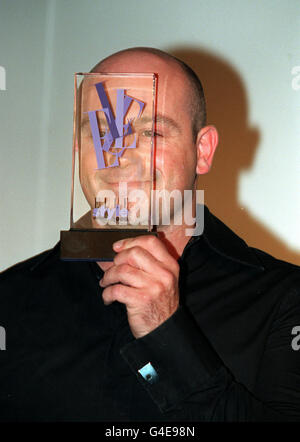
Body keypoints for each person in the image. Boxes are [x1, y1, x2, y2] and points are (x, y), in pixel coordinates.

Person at [0, 47, 300, 422]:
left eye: (151, 131)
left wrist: (167, 335)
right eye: (102, 130)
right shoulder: (8, 300)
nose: (121, 155)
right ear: (79, 148)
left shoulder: (286, 301)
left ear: (202, 150)